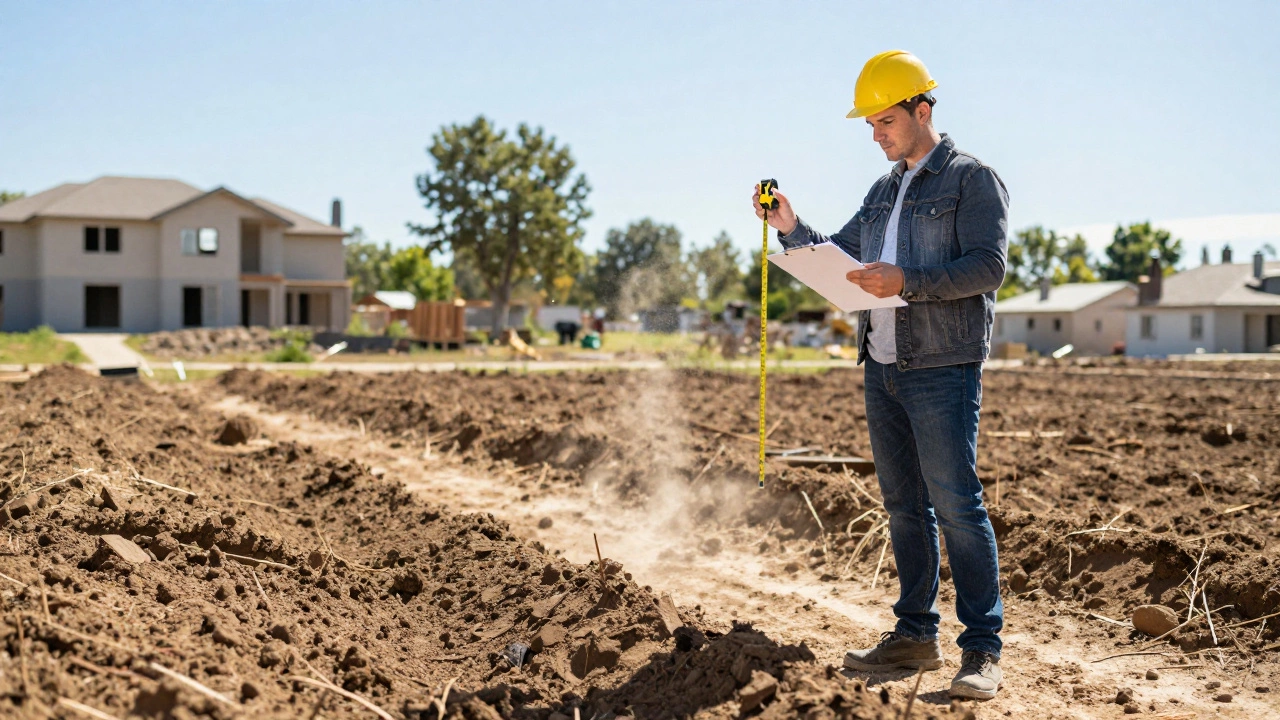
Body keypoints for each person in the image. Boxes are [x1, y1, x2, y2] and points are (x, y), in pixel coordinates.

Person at [751, 50, 1009, 700]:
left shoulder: (971, 180)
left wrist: (908, 282)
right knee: (903, 506)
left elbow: (987, 268)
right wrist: (789, 227)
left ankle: (981, 652)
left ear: (923, 110)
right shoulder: (883, 191)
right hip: (883, 366)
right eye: (869, 124)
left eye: (885, 120)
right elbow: (838, 259)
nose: (876, 133)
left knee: (956, 505)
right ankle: (914, 635)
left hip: (942, 367)